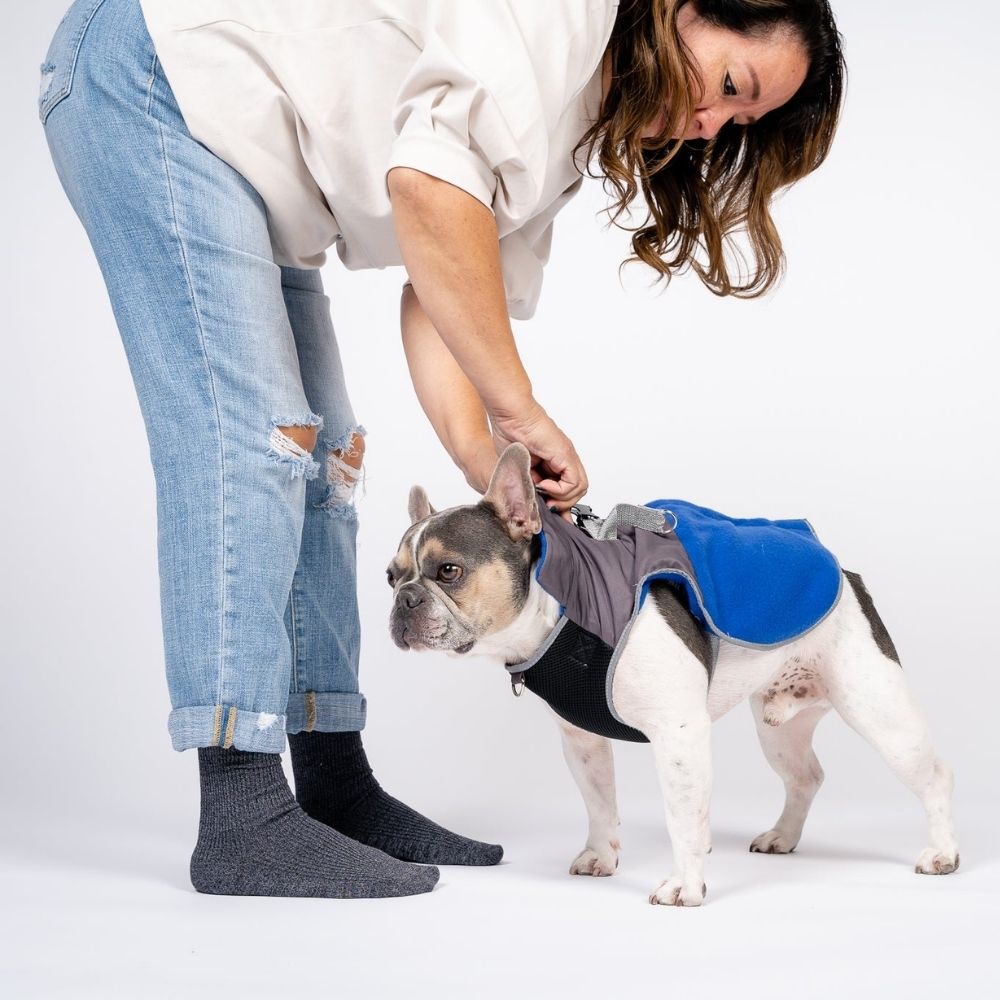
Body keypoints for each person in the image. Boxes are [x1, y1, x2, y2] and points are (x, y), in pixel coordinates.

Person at [38, 0, 844, 899]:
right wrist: (521, 407)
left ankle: (334, 784)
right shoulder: (563, 18)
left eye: (739, 120)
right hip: (156, 80)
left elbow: (443, 287)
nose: (712, 124)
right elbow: (429, 194)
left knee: (325, 457)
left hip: (239, 151)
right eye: (731, 84)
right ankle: (240, 813)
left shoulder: (574, 121)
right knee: (253, 443)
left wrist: (486, 450)